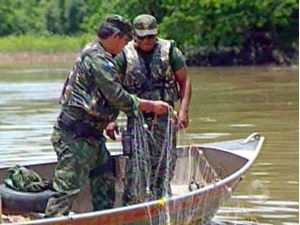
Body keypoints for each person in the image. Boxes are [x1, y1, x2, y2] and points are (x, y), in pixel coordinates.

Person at [44, 14, 171, 217]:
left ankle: (104, 220)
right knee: (66, 189)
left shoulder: (103, 55)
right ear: (114, 36)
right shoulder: (97, 58)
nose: (125, 45)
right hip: (74, 137)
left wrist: (110, 120)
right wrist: (151, 106)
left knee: (105, 182)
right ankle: (51, 221)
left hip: (93, 136)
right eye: (124, 40)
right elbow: (116, 96)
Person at [114, 14, 191, 203]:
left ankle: (162, 199)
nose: (147, 41)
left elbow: (184, 81)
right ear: (133, 35)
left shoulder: (170, 51)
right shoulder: (124, 55)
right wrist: (111, 119)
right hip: (136, 118)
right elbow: (112, 90)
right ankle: (134, 204)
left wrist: (183, 111)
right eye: (142, 37)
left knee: (164, 162)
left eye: (151, 36)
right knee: (135, 164)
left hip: (164, 117)